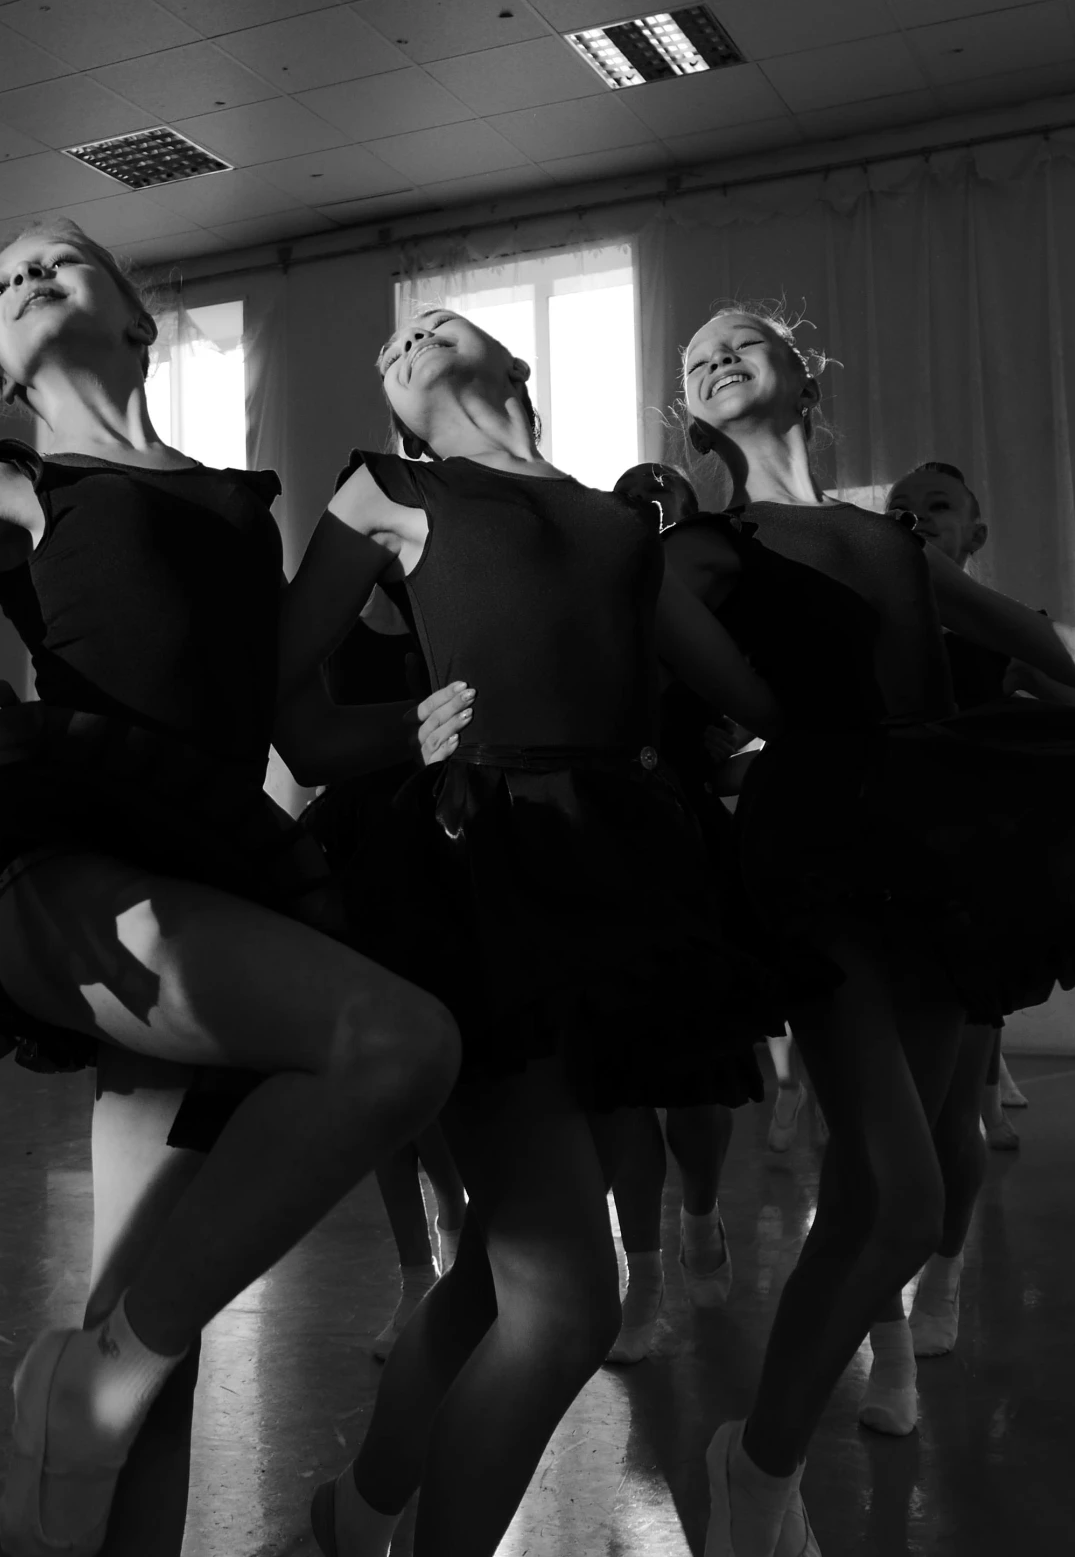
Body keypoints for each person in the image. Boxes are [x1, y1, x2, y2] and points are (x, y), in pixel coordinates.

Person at [0, 217, 465, 1557]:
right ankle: (89, 1370)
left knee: (152, 1328)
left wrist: (421, 720)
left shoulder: (241, 499)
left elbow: (284, 712)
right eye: (0, 278)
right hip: (64, 874)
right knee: (395, 1041)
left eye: (63, 258)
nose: (26, 272)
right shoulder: (14, 487)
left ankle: (87, 1422)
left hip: (219, 882)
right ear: (0, 369)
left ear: (140, 316)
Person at [672, 306, 1075, 1557]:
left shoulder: (877, 542)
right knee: (897, 1198)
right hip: (817, 855)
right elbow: (705, 678)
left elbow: (1047, 644)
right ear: (693, 417)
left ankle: (760, 1469)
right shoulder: (706, 547)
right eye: (695, 355)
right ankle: (757, 1469)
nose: (718, 353)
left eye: (742, 337)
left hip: (931, 854)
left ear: (803, 377)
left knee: (887, 1190)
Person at [277, 306, 818, 1557]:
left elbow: (745, 699)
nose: (401, 338)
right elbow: (289, 708)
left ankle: (359, 1516)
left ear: (516, 364)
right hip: (479, 873)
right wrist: (397, 735)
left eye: (433, 326)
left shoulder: (626, 525)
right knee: (566, 1304)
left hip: (621, 885)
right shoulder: (386, 491)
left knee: (493, 1282)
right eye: (387, 346)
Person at [602, 462, 753, 1363]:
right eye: (633, 497)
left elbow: (747, 721)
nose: (650, 505)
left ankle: (700, 1211)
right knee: (623, 1084)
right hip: (606, 847)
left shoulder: (710, 614)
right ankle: (644, 1270)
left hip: (693, 852)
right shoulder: (590, 604)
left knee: (698, 1084)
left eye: (664, 498)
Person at [297, 578, 470, 1355]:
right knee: (374, 1072)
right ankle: (415, 1271)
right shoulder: (329, 628)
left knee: (418, 1067)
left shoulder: (443, 616)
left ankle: (454, 1210)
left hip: (434, 842)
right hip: (358, 843)